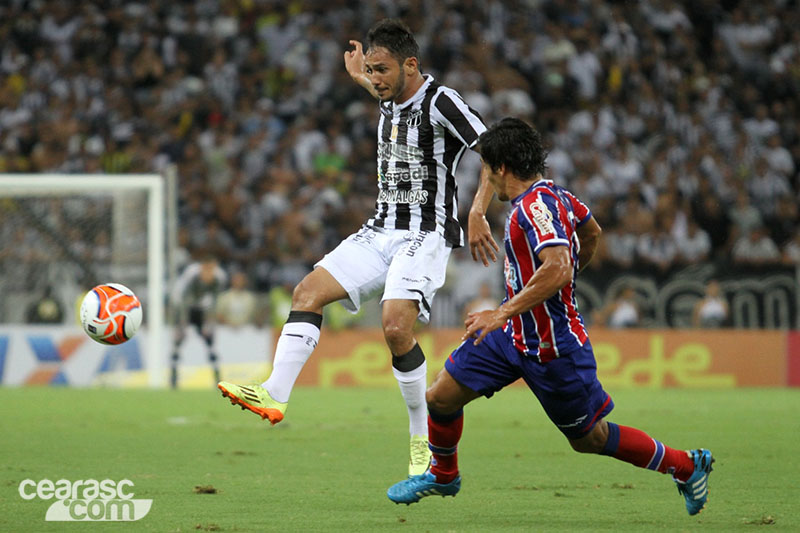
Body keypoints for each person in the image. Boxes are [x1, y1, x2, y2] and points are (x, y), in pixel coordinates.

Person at [386, 118, 714, 516]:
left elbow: (558, 268)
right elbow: (591, 232)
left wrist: (503, 310)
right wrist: (535, 296)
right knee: (440, 396)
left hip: (554, 348)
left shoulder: (533, 209)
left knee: (589, 438)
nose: (487, 179)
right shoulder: (557, 196)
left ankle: (684, 465)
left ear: (502, 168)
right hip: (511, 336)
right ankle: (443, 475)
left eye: (489, 170)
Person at [217, 18, 498, 477]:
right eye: (371, 69)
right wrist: (361, 79)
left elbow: (492, 150)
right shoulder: (389, 94)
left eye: (382, 69)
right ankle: (275, 393)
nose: (377, 79)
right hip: (379, 229)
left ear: (411, 64)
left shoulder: (442, 100)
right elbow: (384, 91)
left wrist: (477, 210)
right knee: (307, 292)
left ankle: (420, 435)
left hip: (424, 233)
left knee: (394, 327)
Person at [171, 256, 227, 388]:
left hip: (201, 308)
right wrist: (183, 324)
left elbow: (214, 302)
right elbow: (183, 301)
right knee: (179, 340)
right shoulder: (191, 276)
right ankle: (173, 376)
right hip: (183, 306)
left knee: (210, 341)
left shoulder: (219, 278)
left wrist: (208, 324)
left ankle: (217, 377)